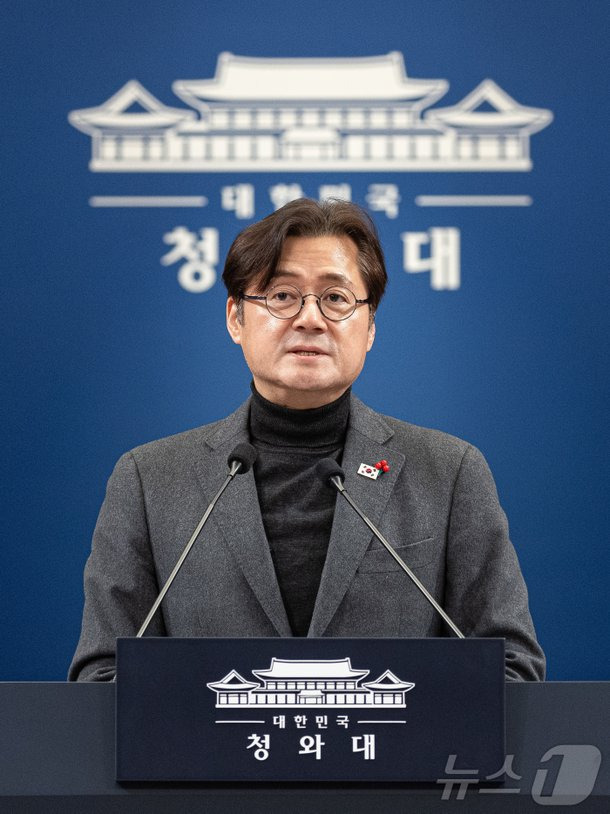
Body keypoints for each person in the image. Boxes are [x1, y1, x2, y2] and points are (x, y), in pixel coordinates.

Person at [69, 198, 545, 682]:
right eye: (282, 295)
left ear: (370, 326)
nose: (310, 318)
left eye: (336, 298)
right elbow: (102, 675)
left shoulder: (448, 473)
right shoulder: (150, 481)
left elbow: (512, 669)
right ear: (236, 318)